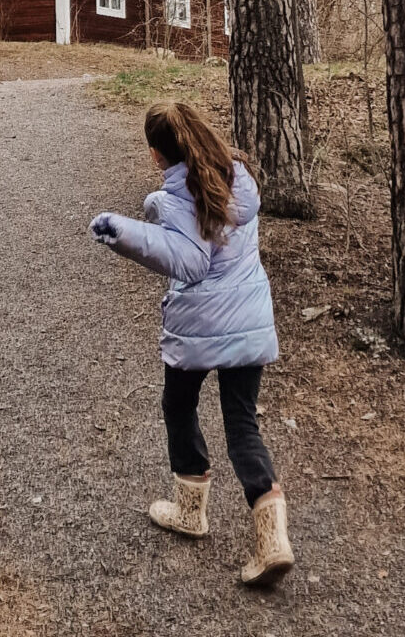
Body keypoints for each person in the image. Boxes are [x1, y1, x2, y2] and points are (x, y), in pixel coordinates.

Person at [90, 100, 294, 588]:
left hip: (200, 323)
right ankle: (272, 540)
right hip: (248, 319)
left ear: (157, 155)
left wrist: (125, 232)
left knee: (179, 405)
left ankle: (190, 511)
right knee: (241, 424)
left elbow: (191, 261)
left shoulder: (177, 196)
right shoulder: (236, 175)